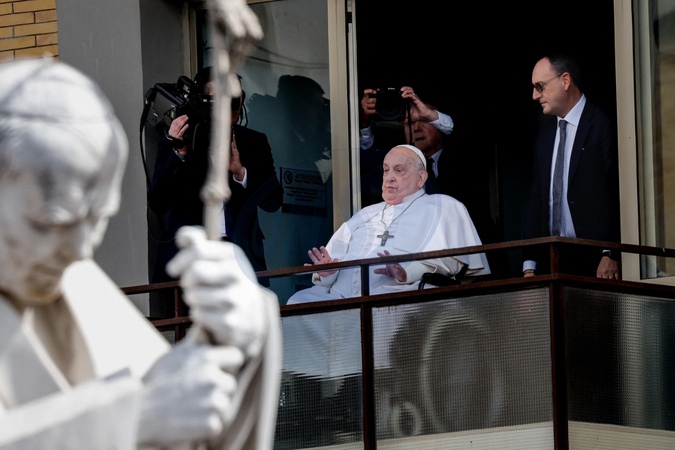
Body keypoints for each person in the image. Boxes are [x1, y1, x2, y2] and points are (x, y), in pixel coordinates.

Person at [0, 58, 280, 449]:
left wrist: (255, 343)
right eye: (53, 220)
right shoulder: (180, 139)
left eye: (96, 219)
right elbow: (159, 198)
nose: (80, 249)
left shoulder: (82, 286)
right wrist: (133, 417)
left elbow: (176, 402)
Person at [287, 144, 490, 304]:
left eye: (398, 171)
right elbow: (333, 267)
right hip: (341, 297)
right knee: (298, 302)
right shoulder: (365, 214)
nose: (389, 178)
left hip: (400, 292)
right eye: (385, 170)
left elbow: (451, 262)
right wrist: (328, 273)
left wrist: (407, 271)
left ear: (421, 178)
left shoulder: (443, 206)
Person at [148, 67, 283, 285]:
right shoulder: (183, 138)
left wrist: (241, 172)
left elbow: (274, 201)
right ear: (202, 101)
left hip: (240, 258)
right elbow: (158, 202)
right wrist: (179, 153)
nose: (230, 104)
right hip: (190, 260)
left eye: (235, 97)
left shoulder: (253, 142)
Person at [360, 86, 507, 276]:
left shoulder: (465, 155)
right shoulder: (400, 168)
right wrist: (364, 122)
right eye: (409, 123)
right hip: (416, 266)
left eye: (424, 121)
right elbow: (367, 160)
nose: (416, 128)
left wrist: (430, 114)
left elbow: (475, 133)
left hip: (470, 261)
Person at [523, 53, 620, 278]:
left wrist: (611, 252)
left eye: (540, 86)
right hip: (552, 259)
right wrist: (530, 263)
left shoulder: (602, 124)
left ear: (565, 81)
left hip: (596, 261)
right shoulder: (545, 131)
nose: (534, 95)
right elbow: (538, 197)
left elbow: (618, 191)